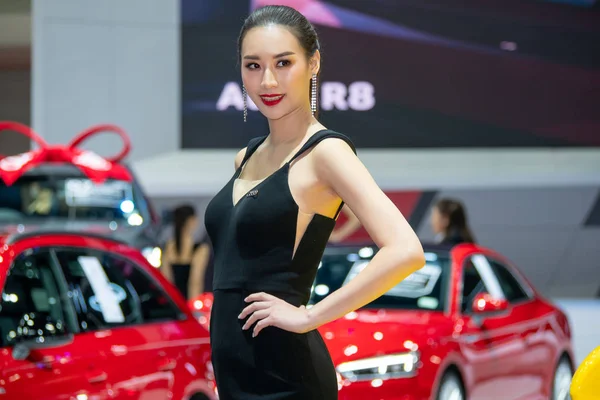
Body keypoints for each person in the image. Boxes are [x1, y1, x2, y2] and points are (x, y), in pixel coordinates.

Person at [203, 5, 425, 399]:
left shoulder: (327, 153)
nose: (267, 80)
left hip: (286, 377)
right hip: (235, 376)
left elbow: (406, 250)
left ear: (314, 63)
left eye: (283, 62)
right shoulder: (246, 156)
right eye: (253, 65)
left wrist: (311, 315)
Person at [161, 204, 212, 300]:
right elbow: (195, 282)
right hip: (190, 304)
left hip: (174, 303)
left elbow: (166, 280)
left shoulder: (168, 247)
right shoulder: (201, 249)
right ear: (192, 221)